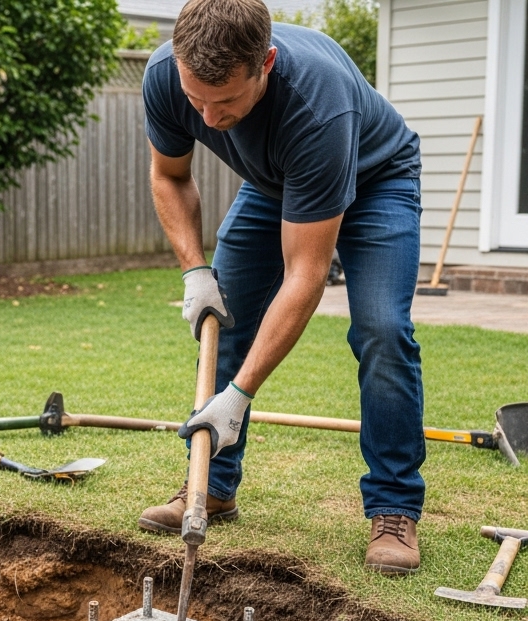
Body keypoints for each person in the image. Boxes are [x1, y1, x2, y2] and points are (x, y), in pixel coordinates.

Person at [136, 0, 424, 574]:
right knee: (228, 317)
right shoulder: (166, 77)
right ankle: (212, 486)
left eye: (228, 102)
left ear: (265, 63)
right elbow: (170, 175)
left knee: (381, 330)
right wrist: (196, 270)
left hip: (377, 181)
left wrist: (238, 399)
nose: (210, 118)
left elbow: (305, 275)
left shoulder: (317, 106)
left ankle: (393, 508)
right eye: (198, 101)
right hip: (274, 186)